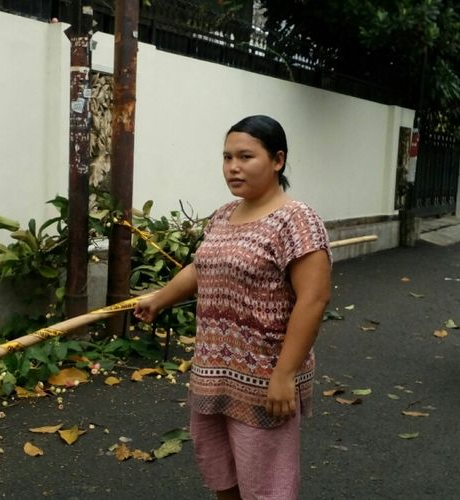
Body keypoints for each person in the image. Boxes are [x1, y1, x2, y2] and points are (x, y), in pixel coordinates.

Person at [134, 115, 331, 500]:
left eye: (245, 156)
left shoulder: (297, 220)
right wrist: (159, 298)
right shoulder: (224, 214)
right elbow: (202, 265)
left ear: (278, 160)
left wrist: (284, 374)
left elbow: (314, 299)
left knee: (265, 487)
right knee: (222, 475)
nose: (233, 167)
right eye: (227, 157)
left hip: (264, 376)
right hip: (214, 371)